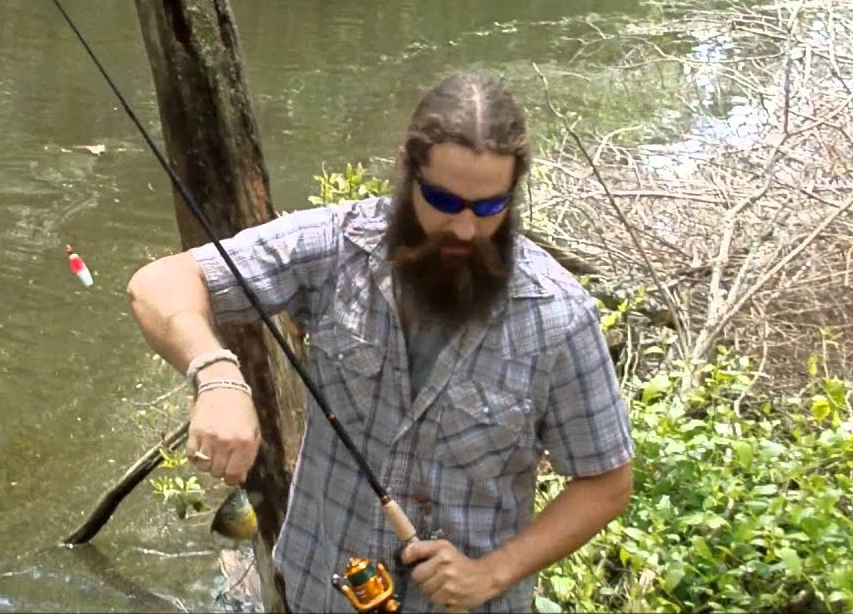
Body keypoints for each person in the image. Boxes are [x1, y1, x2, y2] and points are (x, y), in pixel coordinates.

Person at [126, 71, 634, 613]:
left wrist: (492, 573)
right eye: (443, 200)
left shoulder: (559, 315)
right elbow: (157, 284)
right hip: (317, 592)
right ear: (408, 170)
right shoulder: (335, 248)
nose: (465, 228)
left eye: (489, 207)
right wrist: (216, 374)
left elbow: (606, 482)